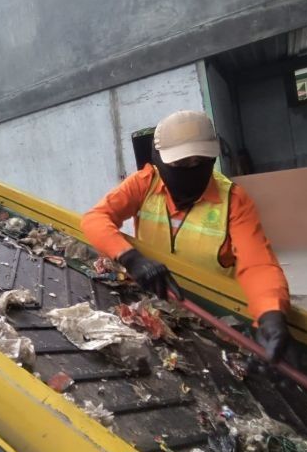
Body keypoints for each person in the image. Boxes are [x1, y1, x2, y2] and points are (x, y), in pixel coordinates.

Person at [81, 110, 290, 363]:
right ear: (158, 160)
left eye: (199, 162)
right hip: (157, 299)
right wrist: (132, 259)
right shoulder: (145, 183)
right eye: (180, 165)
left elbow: (257, 263)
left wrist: (270, 313)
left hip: (212, 314)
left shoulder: (233, 201)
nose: (191, 171)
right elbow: (95, 218)